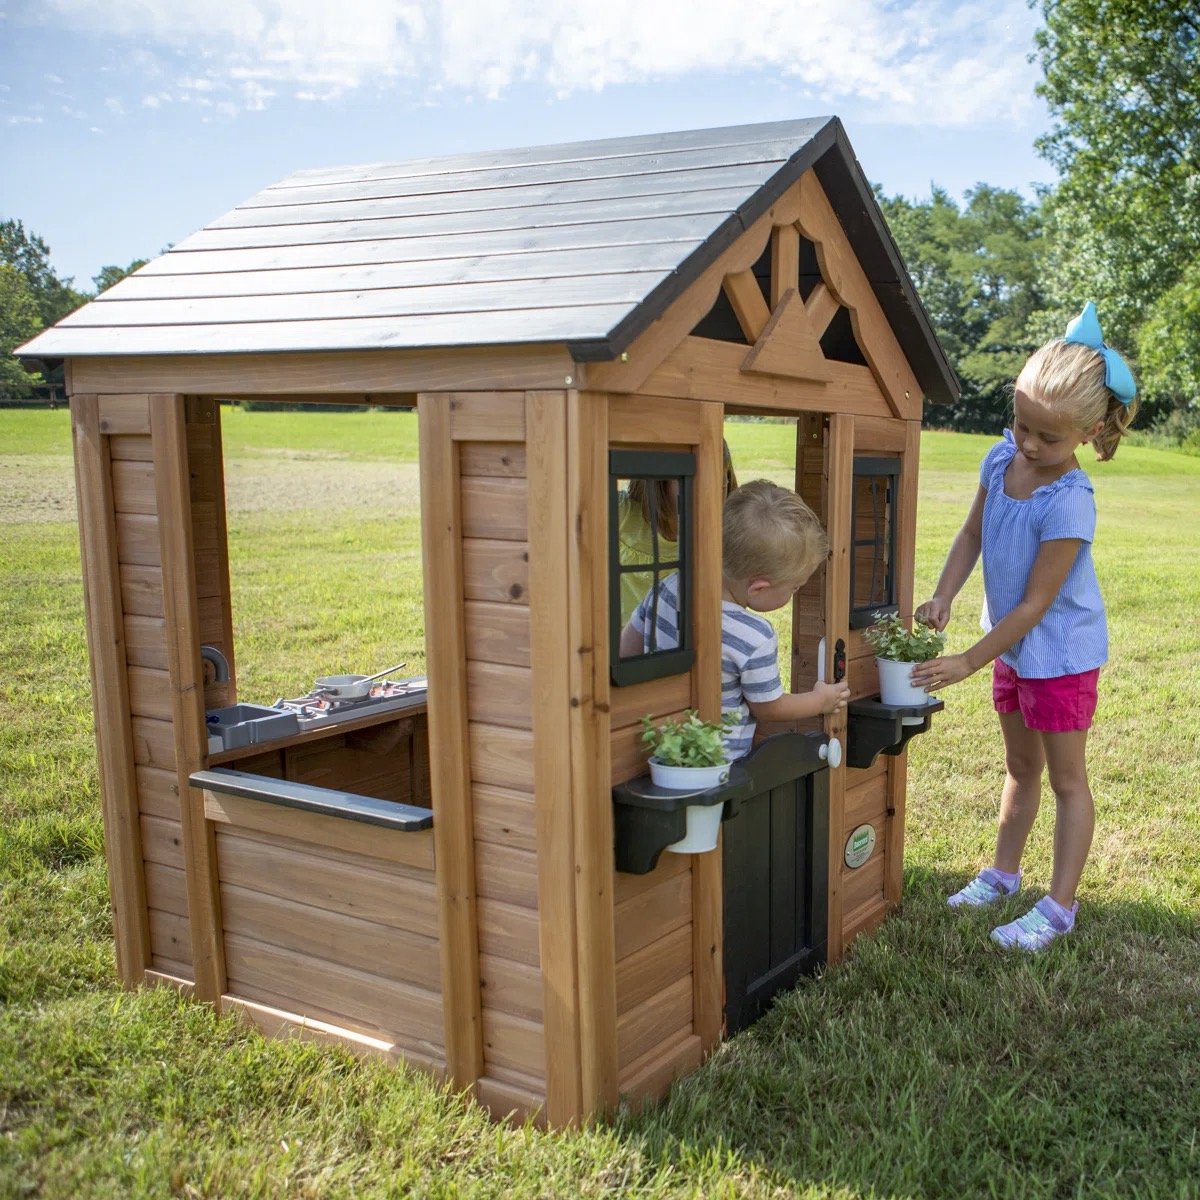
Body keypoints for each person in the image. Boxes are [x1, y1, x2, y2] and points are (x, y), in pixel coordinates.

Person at [910, 302, 1138, 951]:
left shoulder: (1069, 501)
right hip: (1011, 649)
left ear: (1089, 432)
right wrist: (944, 593)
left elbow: (1037, 604)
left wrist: (967, 660)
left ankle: (1059, 908)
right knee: (1019, 764)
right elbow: (971, 533)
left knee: (1066, 779)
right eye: (1021, 425)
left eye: (1048, 437)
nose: (1030, 445)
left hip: (1058, 656)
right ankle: (1003, 875)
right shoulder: (999, 459)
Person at [620, 479, 850, 761]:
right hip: (723, 763)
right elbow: (768, 707)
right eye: (794, 587)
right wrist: (821, 700)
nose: (794, 593)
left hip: (661, 750)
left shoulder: (668, 587)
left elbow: (626, 650)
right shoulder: (754, 635)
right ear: (758, 589)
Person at [616, 440, 739, 625]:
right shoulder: (622, 514)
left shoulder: (725, 535)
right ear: (658, 483)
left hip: (683, 639)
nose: (707, 496)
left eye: (720, 484)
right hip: (615, 639)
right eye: (693, 482)